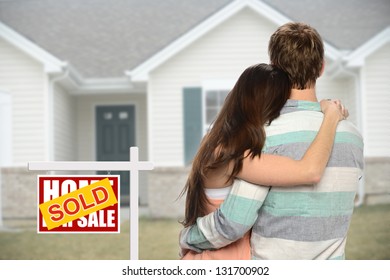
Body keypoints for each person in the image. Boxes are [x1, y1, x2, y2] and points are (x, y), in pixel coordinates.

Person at [179, 22, 364, 260]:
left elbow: (235, 221)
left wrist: (186, 237)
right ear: (321, 67)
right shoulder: (353, 136)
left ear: (275, 68)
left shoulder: (261, 135)